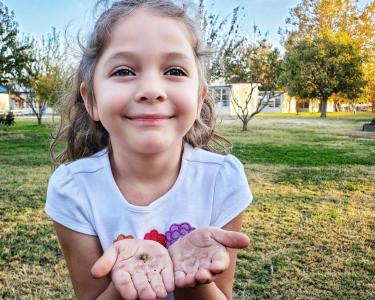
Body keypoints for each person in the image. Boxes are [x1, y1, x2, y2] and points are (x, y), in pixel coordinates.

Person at [45, 1, 253, 299]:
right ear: (90, 99)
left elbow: (222, 294)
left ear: (198, 98)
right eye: (124, 70)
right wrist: (124, 281)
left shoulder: (223, 180)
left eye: (175, 70)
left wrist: (192, 278)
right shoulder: (74, 189)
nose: (152, 89)